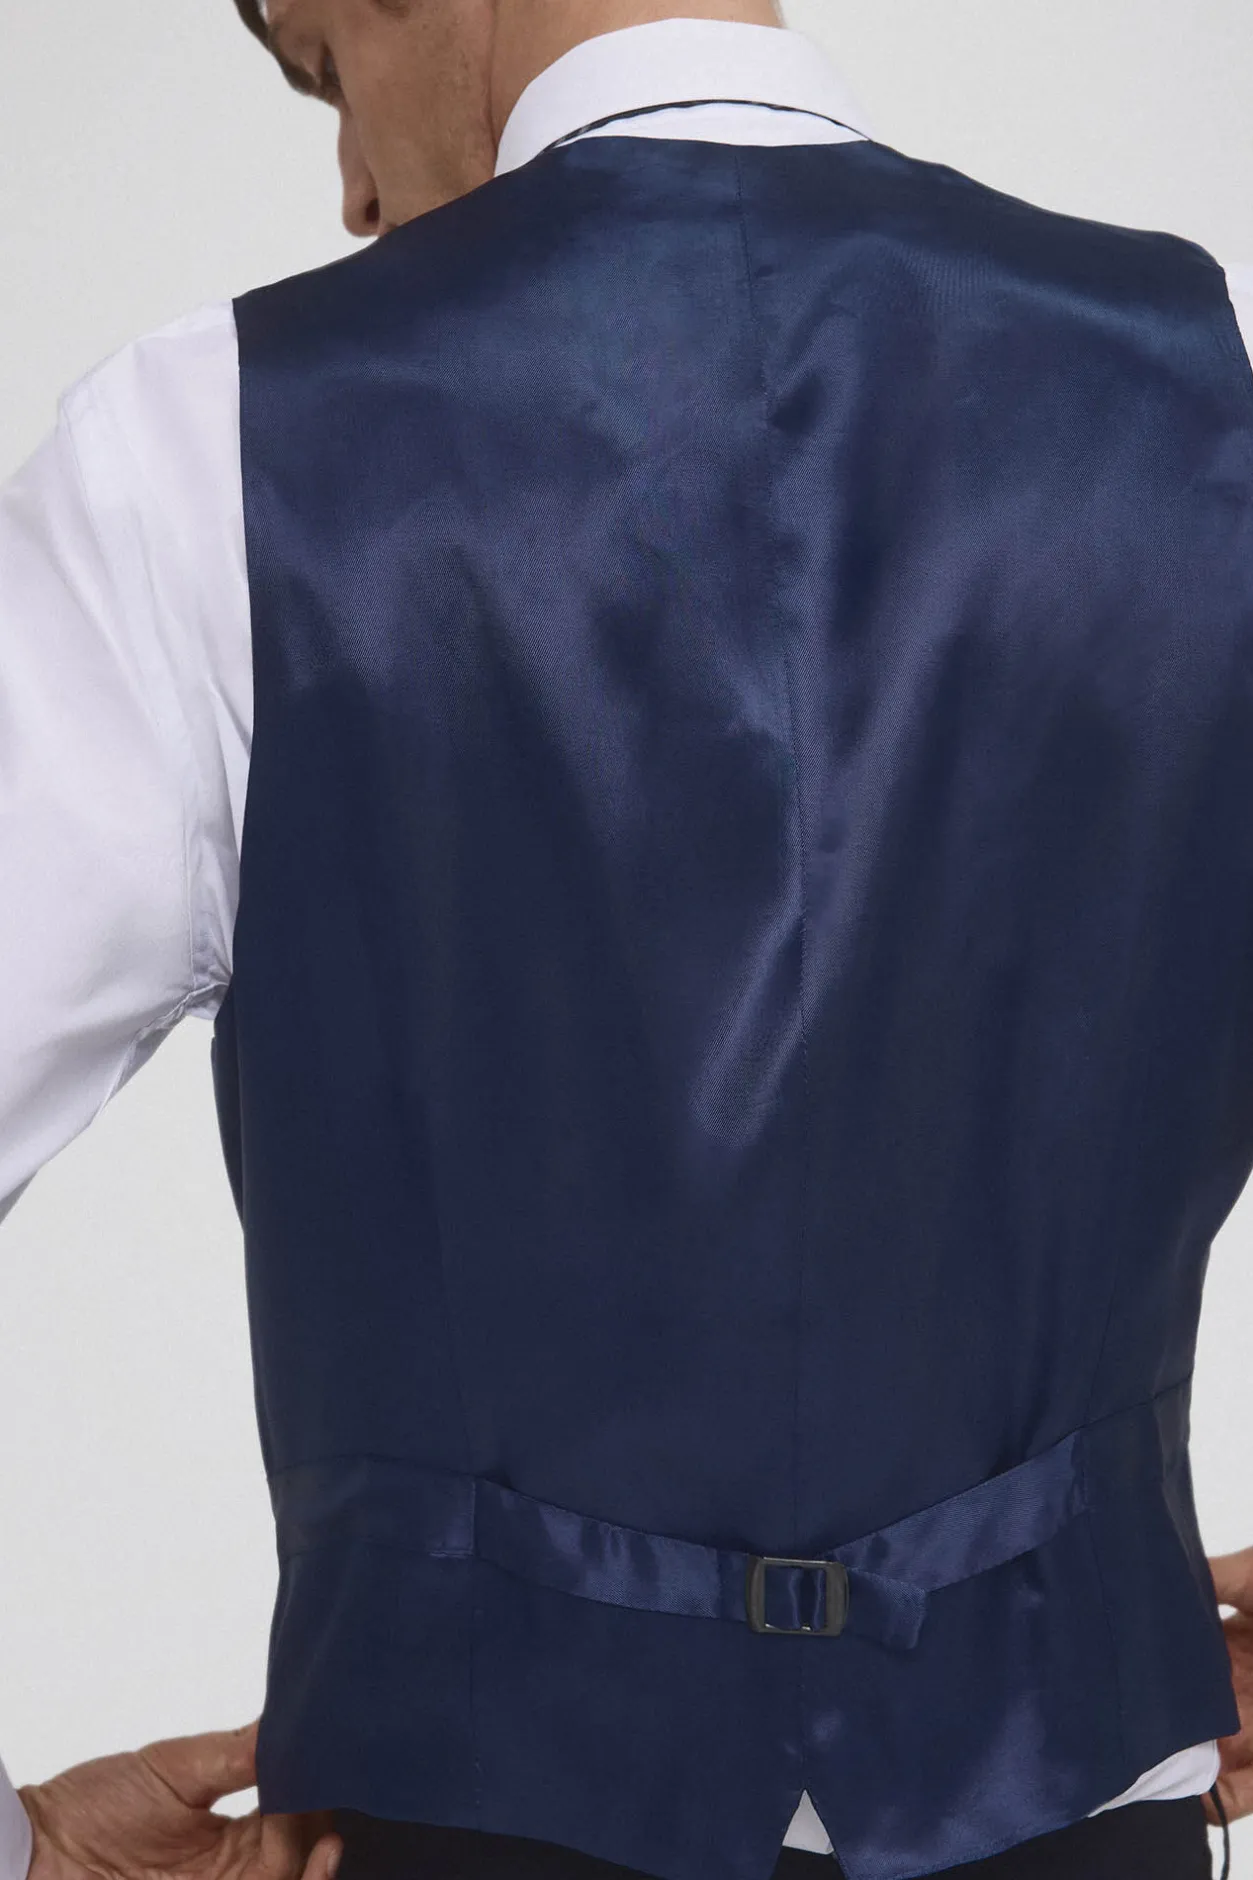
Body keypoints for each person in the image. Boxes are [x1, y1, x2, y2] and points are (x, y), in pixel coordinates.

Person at [2, 3, 1252, 1878]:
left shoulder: (207, 442)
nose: (351, 189)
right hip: (1078, 1811)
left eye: (324, 71)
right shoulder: (1202, 396)